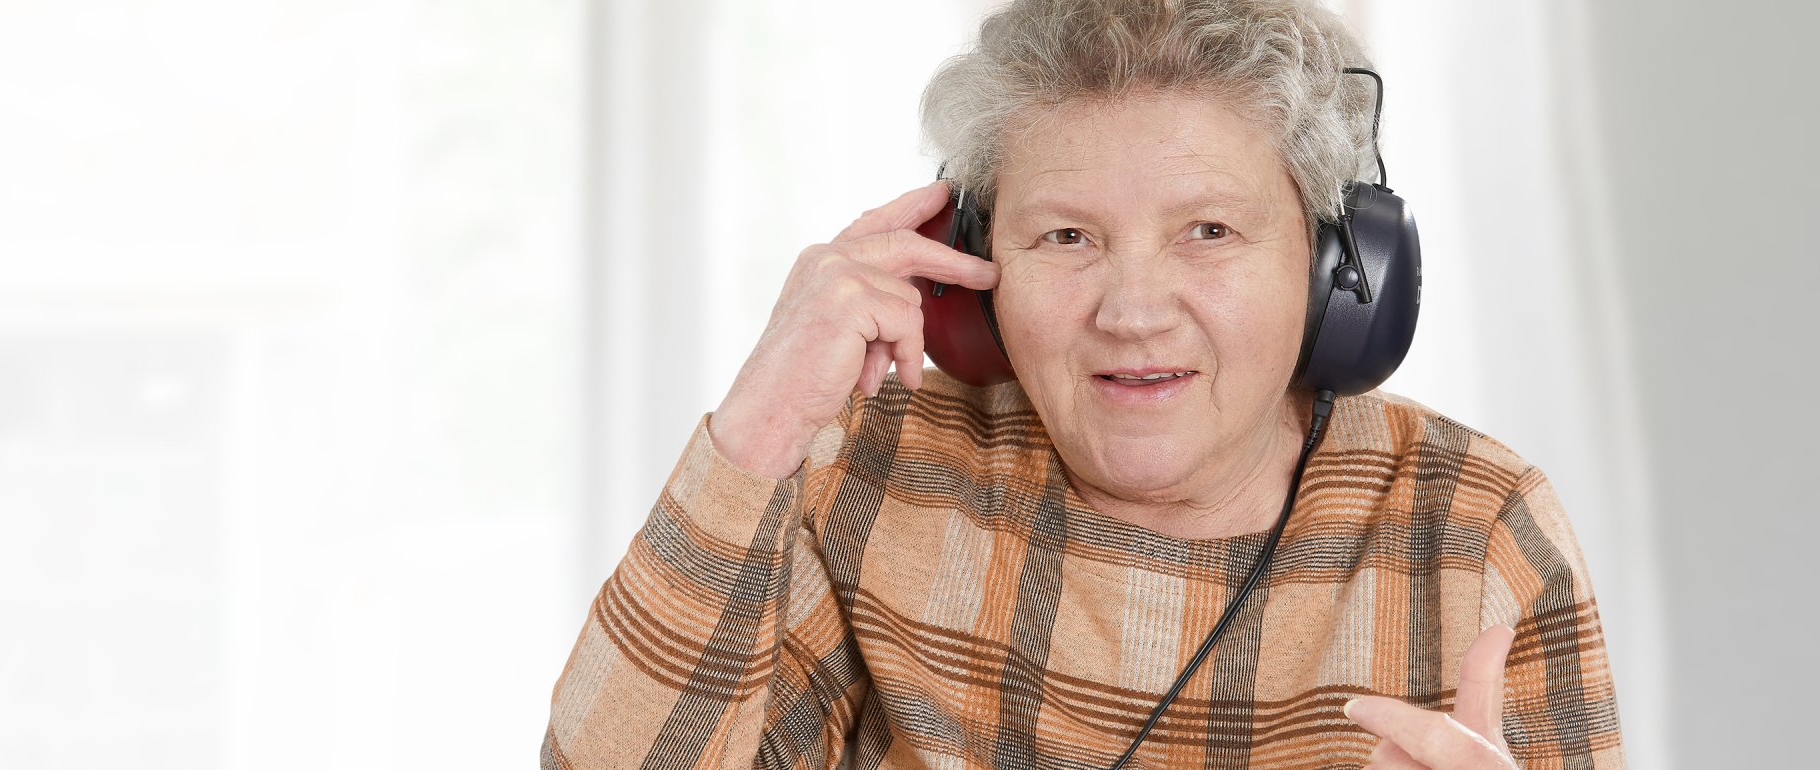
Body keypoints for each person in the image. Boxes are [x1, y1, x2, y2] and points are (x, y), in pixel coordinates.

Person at [543, 0, 1624, 767]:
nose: (1131, 309)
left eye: (1206, 230)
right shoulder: (866, 467)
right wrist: (760, 419)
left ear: (1339, 270)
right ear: (969, 274)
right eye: (1065, 235)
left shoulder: (1471, 522)